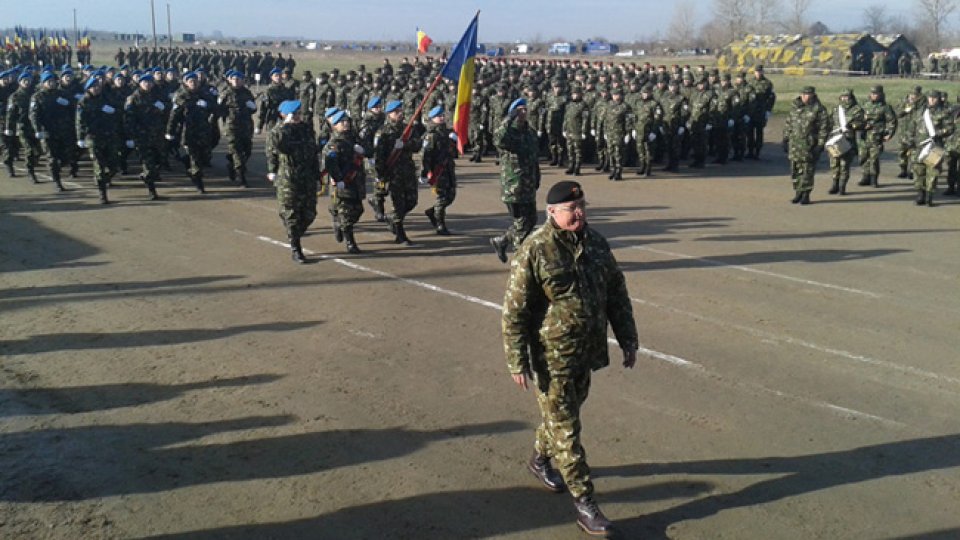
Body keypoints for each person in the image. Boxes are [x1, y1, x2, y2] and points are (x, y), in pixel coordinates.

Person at [501, 180, 638, 537]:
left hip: (587, 351)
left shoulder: (596, 244)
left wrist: (628, 338)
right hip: (553, 357)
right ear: (551, 212)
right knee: (567, 429)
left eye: (581, 207)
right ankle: (585, 503)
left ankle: (539, 458)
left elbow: (616, 292)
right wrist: (517, 360)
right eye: (570, 209)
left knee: (564, 415)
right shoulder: (535, 249)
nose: (578, 214)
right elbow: (515, 310)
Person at [266, 100, 319, 263]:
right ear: (284, 115)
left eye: (298, 113)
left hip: (307, 177)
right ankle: (296, 248)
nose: (297, 116)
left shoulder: (306, 129)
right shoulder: (278, 131)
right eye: (293, 114)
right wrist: (272, 170)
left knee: (310, 214)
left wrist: (317, 174)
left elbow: (313, 152)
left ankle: (294, 231)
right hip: (288, 179)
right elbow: (275, 147)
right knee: (292, 215)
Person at [490, 98, 541, 264]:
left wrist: (537, 176)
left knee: (531, 220)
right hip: (514, 185)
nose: (523, 113)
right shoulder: (509, 132)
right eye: (519, 110)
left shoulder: (530, 132)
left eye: (525, 109)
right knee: (521, 223)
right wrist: (508, 119)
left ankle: (503, 240)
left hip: (528, 184)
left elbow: (534, 157)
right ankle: (520, 262)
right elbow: (498, 139)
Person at [374, 100, 421, 245]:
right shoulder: (383, 132)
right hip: (393, 173)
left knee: (412, 201)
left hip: (408, 170)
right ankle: (400, 235)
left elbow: (417, 145)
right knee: (398, 203)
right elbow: (379, 156)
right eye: (396, 112)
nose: (400, 114)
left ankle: (392, 217)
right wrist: (381, 175)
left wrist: (405, 145)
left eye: (400, 111)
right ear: (389, 114)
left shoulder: (408, 129)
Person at [324, 110, 366, 253]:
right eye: (342, 122)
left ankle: (339, 223)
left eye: (346, 121)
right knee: (347, 213)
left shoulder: (353, 138)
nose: (345, 123)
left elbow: (368, 150)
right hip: (343, 182)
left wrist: (363, 151)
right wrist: (337, 179)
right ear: (335, 125)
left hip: (356, 180)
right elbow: (330, 163)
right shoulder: (334, 143)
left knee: (358, 209)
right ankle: (350, 242)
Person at [166, 71, 214, 194]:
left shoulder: (204, 93)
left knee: (204, 156)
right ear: (186, 83)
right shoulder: (180, 96)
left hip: (203, 131)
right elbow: (174, 115)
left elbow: (215, 107)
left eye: (195, 81)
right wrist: (170, 132)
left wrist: (208, 105)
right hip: (188, 131)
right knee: (195, 158)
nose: (193, 83)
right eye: (191, 81)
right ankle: (199, 184)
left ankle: (188, 166)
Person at [77, 75, 122, 204]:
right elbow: (80, 121)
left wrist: (113, 111)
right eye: (93, 87)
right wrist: (81, 138)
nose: (96, 88)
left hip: (109, 135)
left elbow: (119, 111)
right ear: (88, 88)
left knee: (114, 165)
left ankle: (103, 179)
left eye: (97, 86)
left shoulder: (106, 98)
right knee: (99, 165)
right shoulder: (84, 102)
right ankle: (103, 194)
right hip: (93, 137)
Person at [782, 86, 831, 205]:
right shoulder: (795, 107)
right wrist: (785, 139)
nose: (805, 97)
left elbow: (824, 129)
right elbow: (789, 124)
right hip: (794, 145)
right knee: (795, 170)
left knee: (807, 171)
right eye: (803, 94)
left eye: (808, 94)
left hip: (809, 145)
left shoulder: (818, 109)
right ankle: (798, 191)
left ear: (813, 95)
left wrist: (820, 145)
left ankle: (806, 194)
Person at [122, 73, 165, 200]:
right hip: (141, 136)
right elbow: (128, 119)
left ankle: (146, 176)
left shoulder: (156, 96)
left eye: (150, 82)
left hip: (156, 135)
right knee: (148, 164)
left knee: (160, 160)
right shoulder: (133, 98)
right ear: (139, 83)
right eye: (145, 82)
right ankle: (152, 191)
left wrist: (164, 108)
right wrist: (129, 137)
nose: (147, 84)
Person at [28, 71, 73, 192]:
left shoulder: (61, 94)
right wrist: (38, 130)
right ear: (43, 83)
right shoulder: (37, 97)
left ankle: (56, 171)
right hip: (47, 132)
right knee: (52, 158)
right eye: (48, 81)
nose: (51, 83)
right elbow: (33, 115)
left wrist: (68, 103)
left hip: (61, 131)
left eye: (53, 81)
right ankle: (57, 181)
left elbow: (72, 109)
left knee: (65, 156)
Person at [911, 90, 954, 207]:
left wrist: (937, 133)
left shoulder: (944, 112)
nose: (932, 100)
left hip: (936, 146)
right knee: (918, 170)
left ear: (938, 99)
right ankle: (920, 194)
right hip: (920, 145)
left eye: (934, 98)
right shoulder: (921, 111)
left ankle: (929, 197)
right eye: (930, 97)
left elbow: (950, 128)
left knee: (932, 172)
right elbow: (913, 126)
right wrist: (910, 141)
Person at [420, 106, 458, 235]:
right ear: (432, 118)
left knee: (451, 195)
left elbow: (452, 152)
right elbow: (426, 156)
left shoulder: (447, 132)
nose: (441, 118)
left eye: (442, 115)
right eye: (438, 116)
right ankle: (440, 224)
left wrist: (453, 141)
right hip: (438, 170)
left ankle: (432, 212)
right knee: (442, 197)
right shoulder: (431, 135)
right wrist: (424, 172)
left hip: (448, 168)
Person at [219, 70, 257, 187]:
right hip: (232, 127)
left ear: (242, 80)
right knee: (237, 152)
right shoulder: (226, 93)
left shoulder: (247, 92)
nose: (236, 81)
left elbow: (253, 109)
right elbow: (219, 109)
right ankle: (242, 178)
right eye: (234, 79)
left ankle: (231, 164)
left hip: (246, 126)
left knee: (247, 151)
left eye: (238, 79)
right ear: (230, 80)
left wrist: (252, 107)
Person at [826, 89, 864, 196]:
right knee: (834, 164)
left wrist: (853, 126)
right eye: (842, 96)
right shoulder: (836, 109)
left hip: (848, 140)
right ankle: (835, 184)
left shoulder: (857, 110)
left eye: (846, 97)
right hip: (835, 140)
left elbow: (862, 123)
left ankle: (842, 187)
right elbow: (830, 122)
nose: (844, 99)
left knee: (844, 165)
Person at [5, 71, 41, 183]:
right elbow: (10, 113)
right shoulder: (14, 96)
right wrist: (8, 127)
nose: (27, 82)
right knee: (28, 149)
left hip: (34, 126)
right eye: (24, 80)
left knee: (38, 151)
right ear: (20, 82)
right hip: (21, 126)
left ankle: (31, 165)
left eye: (28, 80)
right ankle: (30, 171)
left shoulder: (35, 95)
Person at [858, 86, 897, 188]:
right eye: (872, 93)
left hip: (876, 136)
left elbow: (892, 121)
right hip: (864, 136)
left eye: (876, 94)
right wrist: (861, 125)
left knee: (874, 159)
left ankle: (874, 179)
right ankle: (865, 176)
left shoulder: (885, 107)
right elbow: (858, 118)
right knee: (863, 157)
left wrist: (889, 134)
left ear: (880, 95)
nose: (873, 96)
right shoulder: (865, 105)